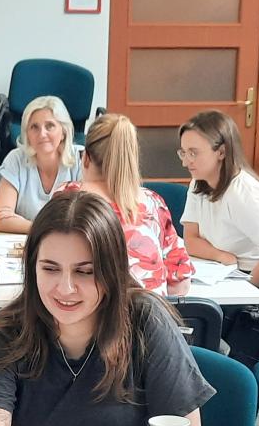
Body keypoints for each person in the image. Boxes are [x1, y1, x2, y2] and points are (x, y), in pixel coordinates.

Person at [0, 191, 214, 426]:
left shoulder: (145, 320)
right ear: (32, 267)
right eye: (50, 269)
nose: (65, 288)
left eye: (85, 272)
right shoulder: (5, 337)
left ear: (111, 272)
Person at [65, 112, 194, 296]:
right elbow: (180, 285)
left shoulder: (69, 197)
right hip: (151, 318)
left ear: (86, 157)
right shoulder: (153, 202)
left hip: (94, 318)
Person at [178, 110, 259, 293]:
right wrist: (221, 255)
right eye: (183, 153)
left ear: (221, 152)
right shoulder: (197, 183)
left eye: (194, 153)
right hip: (224, 271)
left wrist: (243, 292)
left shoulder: (244, 193)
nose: (186, 162)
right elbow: (190, 240)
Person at [0, 96, 83, 232]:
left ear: (63, 132)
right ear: (27, 134)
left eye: (50, 126)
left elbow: (89, 217)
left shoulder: (81, 159)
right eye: (34, 127)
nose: (42, 134)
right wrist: (45, 229)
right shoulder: (16, 159)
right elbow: (1, 219)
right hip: (27, 244)